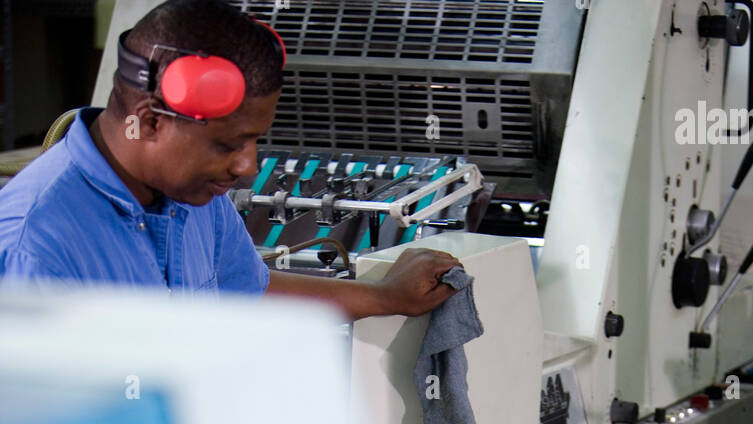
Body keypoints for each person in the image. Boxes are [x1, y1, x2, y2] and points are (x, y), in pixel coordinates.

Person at [0, 0, 460, 320]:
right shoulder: (35, 249)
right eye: (227, 145)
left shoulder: (191, 194)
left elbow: (247, 291)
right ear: (151, 121)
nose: (246, 165)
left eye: (255, 140)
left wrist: (385, 296)